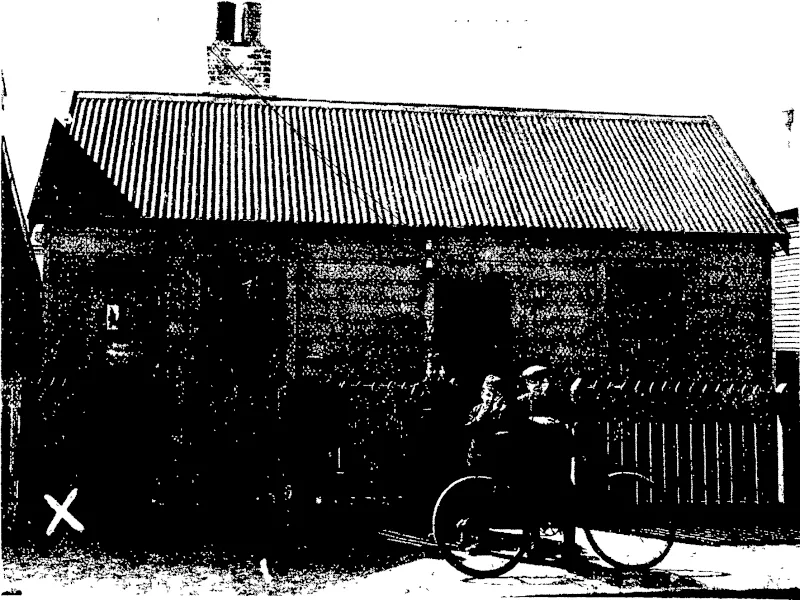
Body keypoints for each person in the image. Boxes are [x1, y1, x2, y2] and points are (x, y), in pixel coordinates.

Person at [517, 364, 581, 561]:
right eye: (532, 382)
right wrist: (536, 420)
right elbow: (515, 422)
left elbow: (572, 419)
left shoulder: (559, 399)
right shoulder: (522, 402)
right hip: (533, 460)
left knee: (565, 499)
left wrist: (560, 423)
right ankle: (533, 543)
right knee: (531, 500)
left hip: (556, 458)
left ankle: (569, 545)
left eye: (541, 381)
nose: (537, 386)